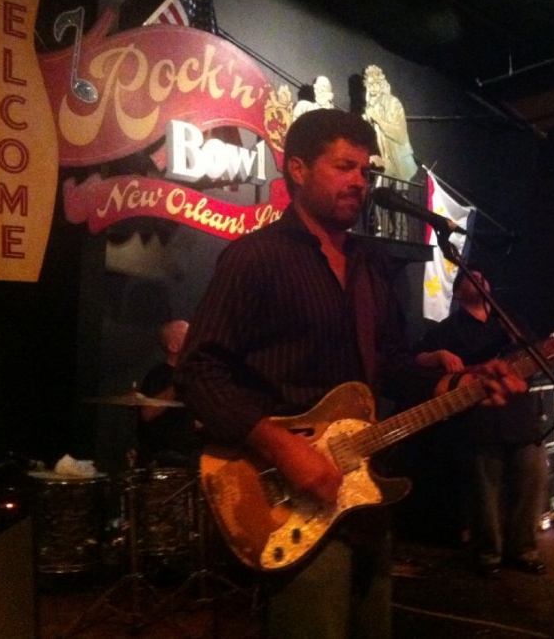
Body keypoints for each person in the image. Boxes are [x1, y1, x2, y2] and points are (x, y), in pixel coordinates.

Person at [174, 109, 526, 639]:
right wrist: (277, 444)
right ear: (296, 168)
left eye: (364, 171)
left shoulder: (370, 263)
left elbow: (389, 366)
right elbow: (199, 372)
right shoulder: (255, 258)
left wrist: (463, 382)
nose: (359, 183)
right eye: (344, 167)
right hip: (288, 497)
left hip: (362, 490)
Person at [415, 269, 548, 577]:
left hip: (519, 416)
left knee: (533, 480)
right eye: (468, 278)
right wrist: (438, 355)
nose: (478, 280)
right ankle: (489, 555)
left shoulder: (509, 321)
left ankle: (524, 550)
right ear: (458, 292)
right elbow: (414, 360)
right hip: (480, 420)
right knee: (485, 493)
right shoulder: (448, 329)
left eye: (481, 276)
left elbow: (538, 357)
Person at [136, 319, 201, 469]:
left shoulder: (192, 376)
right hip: (165, 456)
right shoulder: (159, 374)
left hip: (186, 450)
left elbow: (188, 421)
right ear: (173, 346)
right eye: (188, 335)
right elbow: (147, 412)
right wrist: (178, 385)